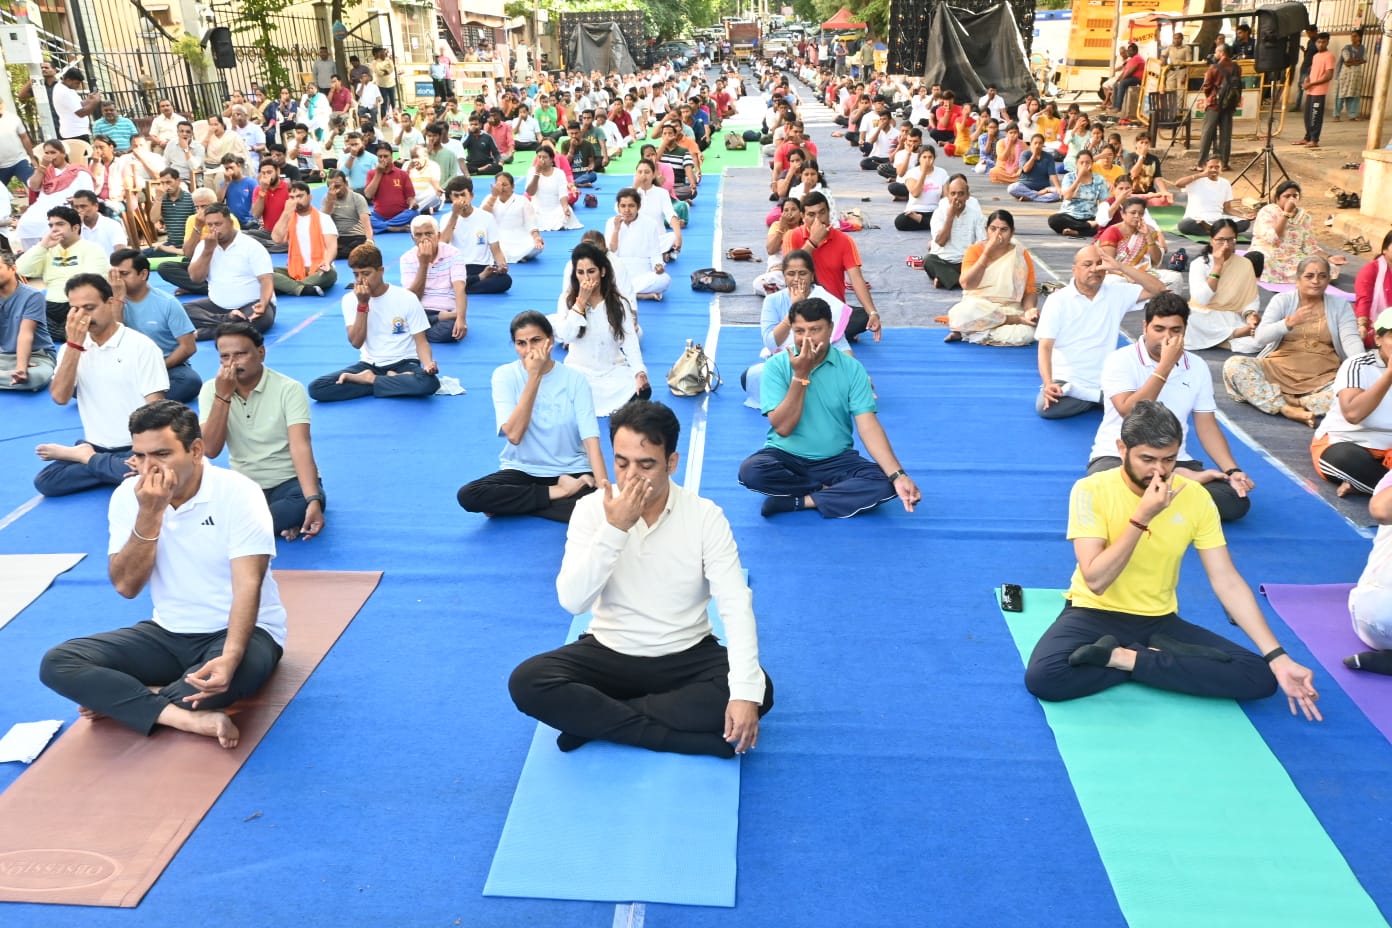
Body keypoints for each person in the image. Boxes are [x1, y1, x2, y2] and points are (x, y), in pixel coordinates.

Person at [509, 399, 773, 757]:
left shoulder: (705, 517)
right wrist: (615, 529)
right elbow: (573, 600)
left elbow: (735, 605)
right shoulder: (590, 511)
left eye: (646, 464)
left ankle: (597, 720)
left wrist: (742, 694)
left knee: (760, 690)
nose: (631, 476)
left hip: (686, 653)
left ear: (671, 463)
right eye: (622, 463)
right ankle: (675, 739)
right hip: (610, 652)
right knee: (528, 682)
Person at [1022, 401, 1320, 718]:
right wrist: (1141, 518)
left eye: (1169, 460)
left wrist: (1277, 656)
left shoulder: (1194, 496)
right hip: (1093, 612)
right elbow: (1095, 580)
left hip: (1158, 621)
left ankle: (1126, 659)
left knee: (1259, 677)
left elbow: (1226, 580)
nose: (1160, 471)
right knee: (1045, 678)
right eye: (1147, 459)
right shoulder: (1090, 490)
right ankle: (1161, 664)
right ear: (1122, 449)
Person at [40, 400, 288, 749]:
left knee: (220, 681)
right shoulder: (130, 497)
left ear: (196, 450)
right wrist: (150, 514)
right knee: (58, 663)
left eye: (161, 454)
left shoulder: (238, 492)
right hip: (168, 633)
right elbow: (126, 587)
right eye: (139, 456)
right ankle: (184, 718)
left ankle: (131, 699)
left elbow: (248, 585)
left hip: (244, 632)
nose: (148, 468)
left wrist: (230, 657)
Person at [739, 296, 920, 519]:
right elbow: (783, 428)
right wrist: (800, 375)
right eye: (799, 331)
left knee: (884, 483)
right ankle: (830, 492)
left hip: (837, 459)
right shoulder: (776, 366)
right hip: (786, 456)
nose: (806, 339)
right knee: (752, 471)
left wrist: (898, 474)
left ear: (831, 329)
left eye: (815, 330)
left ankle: (800, 500)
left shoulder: (852, 368)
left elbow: (868, 426)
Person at [1086, 292, 1254, 522]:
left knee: (1235, 501)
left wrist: (1233, 471)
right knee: (1104, 489)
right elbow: (1130, 412)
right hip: (1121, 458)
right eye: (1159, 329)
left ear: (1185, 330)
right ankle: (1175, 487)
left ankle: (1167, 485)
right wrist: (1164, 367)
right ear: (1145, 327)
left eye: (1175, 330)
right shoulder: (1120, 360)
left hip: (1173, 459)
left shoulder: (1197, 366)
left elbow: (1206, 425)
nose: (1167, 337)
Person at [457, 311, 607, 521]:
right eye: (521, 343)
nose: (529, 350)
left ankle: (515, 504)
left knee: (593, 511)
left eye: (536, 340)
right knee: (469, 495)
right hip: (524, 471)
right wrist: (534, 376)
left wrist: (603, 490)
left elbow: (591, 440)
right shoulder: (505, 375)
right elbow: (515, 435)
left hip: (573, 471)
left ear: (551, 340)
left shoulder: (575, 380)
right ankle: (559, 493)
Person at [33, 273, 168, 496]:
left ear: (110, 302)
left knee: (151, 474)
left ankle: (86, 458)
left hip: (135, 447)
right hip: (97, 443)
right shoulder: (71, 348)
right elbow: (60, 397)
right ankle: (105, 465)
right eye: (75, 309)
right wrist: (74, 346)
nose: (82, 316)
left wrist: (146, 452)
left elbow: (157, 409)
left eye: (89, 307)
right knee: (46, 481)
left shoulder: (141, 346)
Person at [199, 322, 325, 540]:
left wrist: (313, 498)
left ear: (261, 353)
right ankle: (274, 525)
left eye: (240, 355)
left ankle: (249, 526)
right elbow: (210, 449)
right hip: (245, 484)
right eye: (225, 357)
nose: (232, 364)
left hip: (289, 482)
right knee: (205, 507)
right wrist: (223, 397)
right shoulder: (212, 390)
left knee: (301, 504)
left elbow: (300, 446)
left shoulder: (289, 388)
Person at [1222, 256, 1363, 426]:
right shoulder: (1283, 301)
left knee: (1354, 390)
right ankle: (1286, 408)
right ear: (1298, 279)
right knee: (1234, 365)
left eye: (1322, 276)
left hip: (1323, 378)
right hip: (1277, 371)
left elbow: (1351, 340)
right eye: (1309, 276)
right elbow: (1260, 338)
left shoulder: (1340, 306)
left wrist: (1362, 366)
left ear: (1328, 280)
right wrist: (1289, 323)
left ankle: (1296, 403)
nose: (1316, 281)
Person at [1036, 245, 1170, 418]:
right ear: (1074, 270)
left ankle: (1094, 398)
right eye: (1087, 264)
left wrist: (1120, 267)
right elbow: (1045, 347)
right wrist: (1048, 384)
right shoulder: (1057, 301)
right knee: (1046, 408)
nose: (1094, 269)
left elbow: (1158, 289)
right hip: (1067, 379)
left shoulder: (1117, 292)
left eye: (1099, 264)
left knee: (1147, 402)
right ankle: (1103, 400)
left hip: (1107, 379)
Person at [308, 243, 440, 402]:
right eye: (356, 274)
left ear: (381, 271)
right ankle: (393, 382)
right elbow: (356, 342)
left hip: (404, 363)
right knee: (317, 388)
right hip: (369, 365)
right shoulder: (350, 300)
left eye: (366, 273)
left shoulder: (406, 298)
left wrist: (427, 365)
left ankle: (371, 381)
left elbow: (421, 342)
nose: (360, 280)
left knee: (429, 383)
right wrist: (362, 305)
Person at [742, 250, 853, 407]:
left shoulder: (826, 300)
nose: (796, 279)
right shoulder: (773, 301)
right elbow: (771, 344)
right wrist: (794, 308)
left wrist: (853, 374)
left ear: (812, 276)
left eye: (802, 273)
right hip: (785, 364)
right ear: (784, 276)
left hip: (820, 365)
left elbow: (841, 345)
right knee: (749, 376)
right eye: (791, 274)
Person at [554, 242, 646, 415]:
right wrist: (580, 302)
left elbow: (629, 341)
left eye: (591, 271)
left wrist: (639, 372)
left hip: (612, 373)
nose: (586, 278)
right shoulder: (567, 299)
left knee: (639, 390)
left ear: (602, 272)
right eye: (580, 273)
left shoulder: (618, 303)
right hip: (579, 373)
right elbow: (566, 336)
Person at [786, 192, 881, 343]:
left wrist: (873, 311)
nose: (818, 219)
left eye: (822, 212)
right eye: (811, 214)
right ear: (803, 217)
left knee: (863, 316)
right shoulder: (792, 236)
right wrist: (812, 242)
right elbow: (791, 271)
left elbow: (856, 279)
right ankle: (831, 333)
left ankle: (826, 332)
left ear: (829, 213)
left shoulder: (844, 240)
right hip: (801, 306)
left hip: (832, 309)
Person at [109, 249, 201, 403]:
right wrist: (118, 299)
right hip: (123, 365)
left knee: (190, 382)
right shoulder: (109, 302)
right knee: (76, 385)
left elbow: (188, 347)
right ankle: (145, 400)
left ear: (143, 274)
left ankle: (127, 400)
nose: (117, 280)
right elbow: (113, 340)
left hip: (164, 366)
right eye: (114, 274)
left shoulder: (167, 303)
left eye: (124, 274)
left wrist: (156, 368)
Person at [20, 203, 113, 347]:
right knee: (22, 322)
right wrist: (42, 246)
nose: (54, 229)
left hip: (76, 307)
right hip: (49, 307)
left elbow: (93, 284)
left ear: (75, 228)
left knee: (81, 331)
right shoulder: (48, 249)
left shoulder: (93, 249)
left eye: (60, 224)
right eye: (51, 225)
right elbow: (21, 269)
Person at [945, 210, 1040, 346]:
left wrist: (1030, 310)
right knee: (962, 313)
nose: (997, 234)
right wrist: (987, 253)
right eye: (993, 229)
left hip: (1009, 307)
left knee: (1026, 334)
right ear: (986, 230)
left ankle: (972, 330)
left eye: (1004, 230)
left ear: (1012, 232)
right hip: (979, 306)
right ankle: (1011, 321)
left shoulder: (1021, 254)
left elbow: (1030, 291)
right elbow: (967, 284)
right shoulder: (975, 250)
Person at [183, 205, 276, 340]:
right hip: (219, 308)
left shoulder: (251, 245)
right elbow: (196, 278)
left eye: (218, 224)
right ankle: (229, 321)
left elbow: (266, 280)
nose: (214, 228)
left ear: (230, 223)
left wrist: (263, 303)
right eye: (210, 225)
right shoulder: (204, 246)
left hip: (251, 304)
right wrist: (208, 251)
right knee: (180, 312)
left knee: (258, 322)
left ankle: (206, 333)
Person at [1249, 181, 1348, 284]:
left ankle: (1303, 276)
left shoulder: (1304, 217)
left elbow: (1309, 246)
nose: (1291, 199)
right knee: (1259, 261)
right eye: (1286, 196)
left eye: (1295, 196)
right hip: (1269, 252)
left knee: (1328, 267)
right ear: (1277, 199)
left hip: (1293, 256)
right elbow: (1272, 239)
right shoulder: (1267, 211)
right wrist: (1286, 214)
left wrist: (1329, 257)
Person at [1186, 220, 1261, 352]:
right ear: (1211, 241)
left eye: (1231, 240)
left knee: (1259, 342)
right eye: (1220, 240)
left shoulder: (1244, 264)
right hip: (1202, 315)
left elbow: (1251, 299)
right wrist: (1217, 267)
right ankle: (1232, 336)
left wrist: (1250, 316)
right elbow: (1201, 300)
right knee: (1188, 319)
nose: (1226, 245)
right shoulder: (1199, 264)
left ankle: (1220, 339)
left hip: (1231, 317)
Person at [16, 140, 95, 251]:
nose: (49, 156)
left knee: (52, 224)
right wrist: (42, 167)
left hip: (67, 206)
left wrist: (75, 200)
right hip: (42, 206)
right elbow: (33, 186)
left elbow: (88, 194)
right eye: (46, 153)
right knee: (26, 223)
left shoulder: (79, 171)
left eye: (53, 152)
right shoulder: (45, 172)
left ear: (63, 153)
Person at [440, 175, 512, 294]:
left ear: (471, 196)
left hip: (482, 266)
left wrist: (502, 265)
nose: (460, 199)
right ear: (451, 198)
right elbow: (443, 244)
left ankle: (461, 288)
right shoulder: (446, 218)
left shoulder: (486, 217)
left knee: (505, 281)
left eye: (463, 195)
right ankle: (475, 281)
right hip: (457, 266)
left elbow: (496, 250)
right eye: (456, 196)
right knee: (442, 277)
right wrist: (454, 215)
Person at [400, 215, 467, 343]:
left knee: (449, 331)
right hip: (419, 310)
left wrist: (461, 318)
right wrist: (424, 264)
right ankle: (435, 319)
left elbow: (460, 288)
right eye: (418, 235)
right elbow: (413, 298)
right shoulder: (407, 258)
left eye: (429, 233)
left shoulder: (453, 253)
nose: (424, 239)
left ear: (438, 235)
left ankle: (415, 331)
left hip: (444, 308)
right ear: (412, 238)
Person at [0, 251, 55, 392]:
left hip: (37, 355)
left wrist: (21, 368)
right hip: (5, 357)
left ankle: (16, 375)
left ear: (12, 269)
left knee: (34, 378)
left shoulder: (32, 296)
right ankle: (10, 376)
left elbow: (26, 334)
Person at [605, 188, 670, 301]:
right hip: (620, 270)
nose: (627, 210)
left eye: (631, 206)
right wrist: (616, 229)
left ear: (638, 207)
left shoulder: (650, 223)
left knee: (664, 279)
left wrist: (658, 265)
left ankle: (620, 293)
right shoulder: (612, 222)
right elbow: (611, 252)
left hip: (643, 272)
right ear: (618, 207)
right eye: (623, 206)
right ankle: (637, 294)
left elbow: (655, 252)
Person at [923, 173, 985, 289]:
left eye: (961, 194)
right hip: (943, 260)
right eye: (953, 194)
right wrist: (950, 216)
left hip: (966, 262)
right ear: (948, 196)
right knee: (928, 260)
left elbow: (981, 244)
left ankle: (946, 279)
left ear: (968, 196)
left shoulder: (976, 215)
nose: (956, 198)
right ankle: (962, 280)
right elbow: (941, 241)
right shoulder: (939, 213)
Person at [1175, 158, 1248, 238]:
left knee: (1244, 223)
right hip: (1197, 220)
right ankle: (1220, 231)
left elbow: (1227, 209)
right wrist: (1201, 175)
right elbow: (1178, 184)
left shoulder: (1225, 183)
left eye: (1217, 167)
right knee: (1184, 225)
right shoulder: (1196, 180)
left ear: (1221, 169)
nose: (1213, 170)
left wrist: (1243, 216)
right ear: (1205, 168)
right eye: (1210, 167)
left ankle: (1211, 230)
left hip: (1217, 220)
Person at [480, 172, 543, 264]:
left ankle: (518, 255)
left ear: (513, 186)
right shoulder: (489, 198)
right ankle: (516, 256)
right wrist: (494, 196)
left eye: (505, 185)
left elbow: (531, 223)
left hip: (519, 238)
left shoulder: (522, 200)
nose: (501, 188)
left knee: (536, 246)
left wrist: (536, 238)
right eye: (499, 185)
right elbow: (482, 216)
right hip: (496, 239)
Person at [1197, 47, 1240, 170]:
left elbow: (1207, 86)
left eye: (1216, 52)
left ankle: (1202, 163)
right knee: (1225, 135)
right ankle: (1224, 163)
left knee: (1207, 133)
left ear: (1221, 53)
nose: (1215, 54)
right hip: (1229, 104)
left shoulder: (1214, 68)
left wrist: (1209, 97)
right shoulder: (1236, 67)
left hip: (1214, 104)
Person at [1048, 150, 1110, 238]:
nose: (1084, 165)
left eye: (1087, 163)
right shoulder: (1069, 177)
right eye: (1082, 163)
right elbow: (1067, 197)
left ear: (1092, 164)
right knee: (1053, 220)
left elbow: (1104, 202)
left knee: (1105, 224)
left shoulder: (1099, 179)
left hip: (1090, 216)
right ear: (1077, 164)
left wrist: (1101, 218)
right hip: (1069, 215)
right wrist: (1079, 178)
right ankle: (1085, 228)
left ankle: (1077, 232)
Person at [365, 143, 418, 234]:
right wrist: (379, 173)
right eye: (380, 156)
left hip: (401, 214)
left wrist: (413, 204)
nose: (382, 159)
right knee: (364, 217)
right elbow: (369, 195)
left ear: (392, 156)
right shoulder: (372, 174)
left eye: (386, 156)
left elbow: (410, 198)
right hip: (379, 215)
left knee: (415, 213)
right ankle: (392, 227)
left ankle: (382, 226)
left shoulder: (402, 174)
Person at [320, 169, 372, 259]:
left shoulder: (357, 198)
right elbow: (323, 221)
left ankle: (337, 252)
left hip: (356, 236)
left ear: (346, 184)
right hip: (337, 237)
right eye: (331, 187)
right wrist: (331, 202)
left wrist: (370, 240)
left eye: (338, 186)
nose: (336, 190)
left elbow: (366, 224)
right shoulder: (327, 199)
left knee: (361, 248)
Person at [526, 146, 581, 231]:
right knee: (529, 216)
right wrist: (537, 174)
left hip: (556, 209)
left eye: (544, 157)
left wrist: (565, 207)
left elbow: (563, 194)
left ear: (551, 159)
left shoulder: (559, 173)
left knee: (565, 214)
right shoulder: (531, 171)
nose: (541, 160)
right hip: (537, 209)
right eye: (539, 157)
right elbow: (530, 192)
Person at [895, 145, 948, 232]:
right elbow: (915, 193)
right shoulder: (912, 173)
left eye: (930, 157)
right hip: (915, 211)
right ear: (919, 159)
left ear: (934, 158)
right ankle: (931, 224)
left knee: (948, 218)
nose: (927, 160)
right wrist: (924, 172)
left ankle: (922, 220)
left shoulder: (942, 173)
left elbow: (946, 197)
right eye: (924, 157)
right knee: (900, 222)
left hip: (934, 211)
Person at [1296, 33, 1334, 147]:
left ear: (1327, 42)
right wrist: (1307, 81)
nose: (1321, 44)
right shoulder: (1316, 56)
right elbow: (1312, 71)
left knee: (1315, 116)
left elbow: (1328, 76)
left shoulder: (1329, 56)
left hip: (1319, 91)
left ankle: (1314, 139)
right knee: (1307, 116)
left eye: (1323, 42)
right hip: (1311, 90)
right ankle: (1307, 137)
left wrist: (1312, 83)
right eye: (1318, 42)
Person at [1007, 134, 1061, 202]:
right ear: (1031, 144)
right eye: (1035, 143)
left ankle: (1029, 197)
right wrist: (1033, 156)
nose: (1037, 146)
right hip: (1025, 186)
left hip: (1044, 188)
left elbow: (1052, 175)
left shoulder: (1048, 157)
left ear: (1043, 145)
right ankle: (1037, 196)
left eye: (1040, 143)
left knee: (1057, 194)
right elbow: (1026, 170)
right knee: (1012, 188)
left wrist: (1058, 188)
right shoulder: (1025, 154)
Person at [52, 68, 101, 141]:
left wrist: (89, 100)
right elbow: (81, 113)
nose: (79, 86)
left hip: (76, 132)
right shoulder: (64, 92)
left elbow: (78, 105)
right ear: (68, 80)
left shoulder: (66, 88)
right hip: (75, 134)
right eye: (77, 83)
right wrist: (96, 101)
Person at [1334, 31, 1366, 122]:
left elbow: (1364, 60)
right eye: (1352, 36)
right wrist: (1357, 60)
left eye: (1355, 36)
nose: (1353, 38)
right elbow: (1347, 60)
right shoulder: (1346, 48)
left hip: (1356, 76)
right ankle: (1336, 115)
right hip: (1345, 75)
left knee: (1354, 95)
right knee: (1340, 95)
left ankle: (1353, 115)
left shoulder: (1362, 48)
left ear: (1359, 38)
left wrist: (1354, 61)